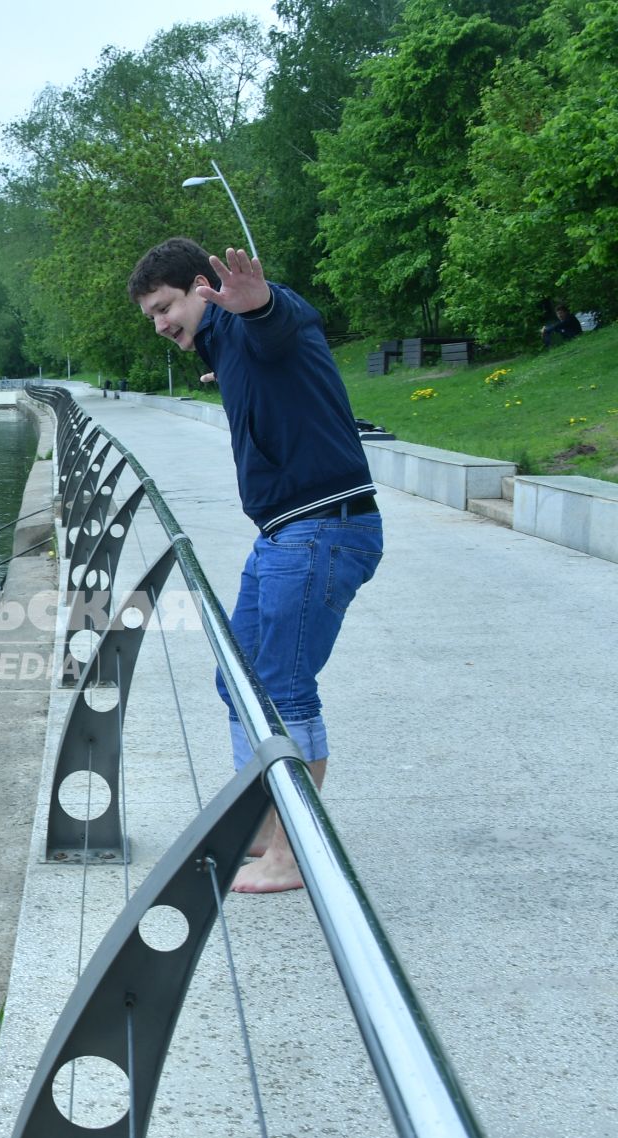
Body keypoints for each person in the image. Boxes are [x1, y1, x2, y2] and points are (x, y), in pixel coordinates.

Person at [128, 238, 384, 893]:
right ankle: (273, 827)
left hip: (321, 531)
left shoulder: (250, 322)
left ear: (201, 288)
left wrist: (260, 304)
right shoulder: (224, 344)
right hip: (284, 535)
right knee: (237, 679)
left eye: (165, 307)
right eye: (151, 316)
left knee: (279, 689)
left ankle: (297, 854)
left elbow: (282, 324)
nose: (159, 325)